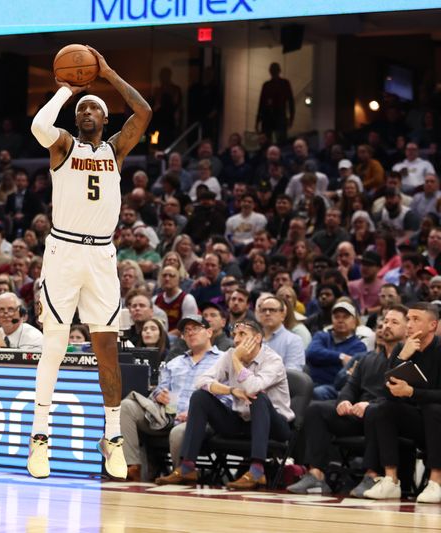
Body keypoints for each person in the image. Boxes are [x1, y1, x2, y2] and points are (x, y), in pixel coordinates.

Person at [27, 45, 152, 480]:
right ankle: (40, 437)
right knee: (54, 348)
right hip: (63, 251)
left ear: (105, 118)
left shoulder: (115, 151)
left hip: (101, 255)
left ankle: (112, 437)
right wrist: (67, 89)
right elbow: (40, 125)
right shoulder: (62, 146)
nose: (86, 112)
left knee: (107, 353)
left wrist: (109, 73)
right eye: (82, 109)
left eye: (94, 108)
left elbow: (144, 111)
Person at [287, 306, 407, 496]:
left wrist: (370, 404)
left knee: (377, 412)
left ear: (408, 329)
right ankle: (315, 475)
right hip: (357, 414)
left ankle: (372, 475)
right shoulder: (368, 359)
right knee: (316, 409)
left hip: (385, 417)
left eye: (394, 322)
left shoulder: (408, 361)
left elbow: (401, 397)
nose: (386, 326)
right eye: (385, 321)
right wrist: (344, 400)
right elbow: (350, 387)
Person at [160, 319, 294, 489]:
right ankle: (187, 466)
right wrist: (230, 390)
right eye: (235, 335)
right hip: (241, 422)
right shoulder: (231, 354)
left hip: (275, 426)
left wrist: (237, 361)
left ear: (258, 338)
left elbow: (253, 387)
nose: (236, 340)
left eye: (242, 334)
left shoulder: (272, 360)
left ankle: (257, 471)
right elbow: (201, 381)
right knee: (200, 397)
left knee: (257, 397)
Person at [122, 315, 222, 482]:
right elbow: (160, 388)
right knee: (126, 406)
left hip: (201, 420)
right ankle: (132, 467)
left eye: (195, 328)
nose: (190, 333)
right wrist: (158, 395)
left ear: (209, 332)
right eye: (186, 330)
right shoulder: (175, 363)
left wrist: (196, 414)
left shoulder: (222, 360)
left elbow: (227, 396)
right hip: (167, 414)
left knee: (178, 432)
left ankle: (181, 473)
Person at [362, 303, 441, 502]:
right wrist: (402, 356)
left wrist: (411, 392)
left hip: (437, 420)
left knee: (433, 409)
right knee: (384, 408)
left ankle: (436, 482)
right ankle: (391, 480)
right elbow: (386, 392)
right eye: (409, 319)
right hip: (417, 422)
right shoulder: (401, 348)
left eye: (416, 320)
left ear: (432, 325)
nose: (409, 325)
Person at [306, 301, 368, 400]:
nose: (340, 320)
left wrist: (322, 359)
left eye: (345, 317)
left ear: (354, 321)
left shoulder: (359, 346)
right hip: (312, 382)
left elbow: (344, 375)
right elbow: (312, 353)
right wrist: (340, 357)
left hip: (336, 388)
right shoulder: (321, 336)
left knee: (317, 392)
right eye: (337, 317)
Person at [256, 295, 306, 370]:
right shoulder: (252, 339)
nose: (267, 313)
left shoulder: (294, 340)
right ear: (259, 314)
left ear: (282, 315)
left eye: (272, 310)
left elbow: (292, 373)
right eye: (263, 310)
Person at [256, 62, 294, 145]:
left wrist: (291, 118)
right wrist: (258, 120)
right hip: (269, 116)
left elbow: (291, 102)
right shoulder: (268, 85)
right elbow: (261, 103)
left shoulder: (284, 83)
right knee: (267, 141)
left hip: (278, 115)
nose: (273, 72)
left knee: (281, 141)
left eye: (274, 70)